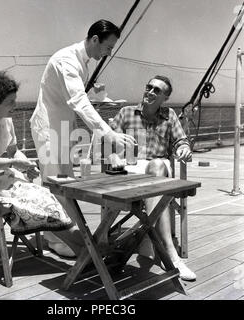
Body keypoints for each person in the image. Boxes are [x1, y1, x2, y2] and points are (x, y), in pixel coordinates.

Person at [30, 19, 135, 256]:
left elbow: (77, 98)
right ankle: (56, 240)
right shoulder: (67, 60)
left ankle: (64, 235)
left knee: (64, 183)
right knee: (55, 183)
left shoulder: (82, 62)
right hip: (48, 127)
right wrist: (109, 134)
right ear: (95, 39)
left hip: (64, 126)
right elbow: (78, 101)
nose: (108, 53)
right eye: (107, 48)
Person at [0, 72, 83, 256]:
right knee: (35, 200)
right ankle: (86, 250)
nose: (15, 105)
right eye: (10, 102)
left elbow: (12, 151)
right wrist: (13, 162)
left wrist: (26, 164)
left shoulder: (5, 120)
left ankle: (83, 248)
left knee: (45, 195)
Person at [108, 75, 196, 281]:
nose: (150, 92)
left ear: (165, 97)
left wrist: (184, 149)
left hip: (157, 168)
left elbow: (181, 141)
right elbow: (109, 143)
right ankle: (163, 246)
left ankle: (166, 248)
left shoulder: (170, 115)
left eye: (157, 90)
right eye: (149, 87)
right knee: (153, 178)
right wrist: (113, 157)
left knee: (156, 166)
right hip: (130, 170)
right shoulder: (126, 113)